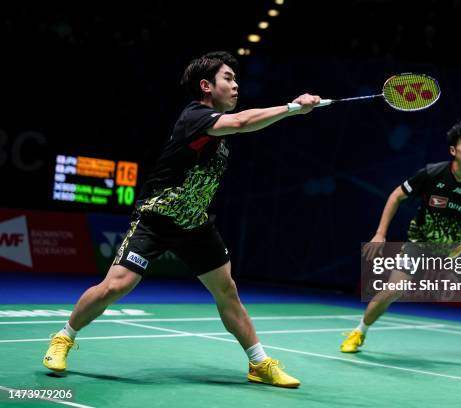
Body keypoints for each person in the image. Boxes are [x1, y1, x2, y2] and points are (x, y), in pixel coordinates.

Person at [43, 51, 321, 388]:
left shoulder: (218, 134)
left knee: (226, 290)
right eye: (228, 79)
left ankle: (259, 364)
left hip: (194, 224)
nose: (236, 86)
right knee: (117, 285)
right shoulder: (195, 116)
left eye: (235, 79)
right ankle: (63, 338)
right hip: (156, 218)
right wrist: (294, 107)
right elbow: (244, 122)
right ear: (206, 86)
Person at [340, 120, 461, 367]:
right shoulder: (433, 174)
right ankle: (359, 332)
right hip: (421, 243)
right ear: (453, 151)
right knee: (393, 290)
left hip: (458, 247)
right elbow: (396, 196)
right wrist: (381, 233)